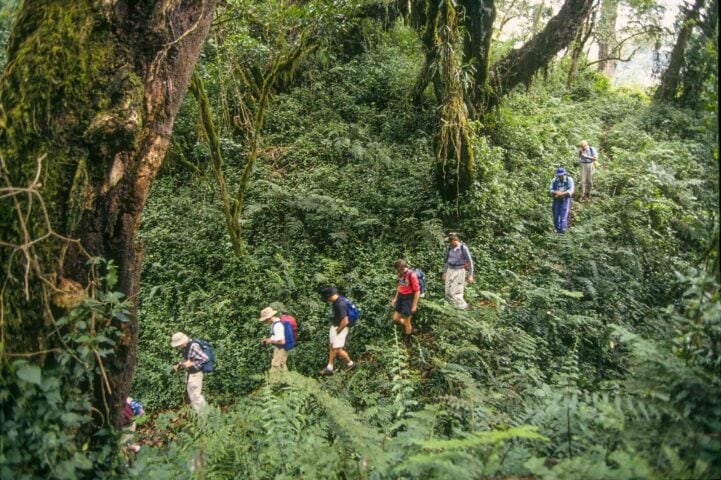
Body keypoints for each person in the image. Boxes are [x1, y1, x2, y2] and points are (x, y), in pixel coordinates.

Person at [319, 287, 356, 376]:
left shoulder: (340, 304)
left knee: (337, 349)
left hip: (340, 328)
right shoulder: (339, 300)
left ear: (329, 296)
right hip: (336, 326)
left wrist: (338, 331)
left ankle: (350, 364)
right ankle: (330, 367)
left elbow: (345, 321)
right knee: (332, 347)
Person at [170, 332, 209, 412]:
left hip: (196, 374)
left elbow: (205, 358)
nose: (178, 347)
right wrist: (180, 365)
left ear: (183, 341)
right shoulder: (187, 347)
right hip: (191, 374)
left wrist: (191, 363)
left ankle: (204, 416)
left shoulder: (193, 346)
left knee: (196, 396)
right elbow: (190, 359)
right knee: (192, 396)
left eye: (179, 344)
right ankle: (200, 415)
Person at [391, 260, 420, 346]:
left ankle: (408, 340)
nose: (397, 272)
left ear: (402, 268)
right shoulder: (400, 274)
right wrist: (395, 298)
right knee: (396, 318)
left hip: (408, 299)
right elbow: (399, 286)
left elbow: (417, 291)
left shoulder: (412, 275)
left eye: (398, 270)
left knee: (407, 321)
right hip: (401, 297)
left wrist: (414, 305)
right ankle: (411, 328)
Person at [442, 233, 474, 310]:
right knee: (447, 293)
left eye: (450, 241)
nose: (449, 243)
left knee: (456, 293)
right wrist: (445, 272)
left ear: (455, 240)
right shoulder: (449, 248)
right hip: (450, 269)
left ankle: (465, 308)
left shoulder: (463, 248)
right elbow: (446, 261)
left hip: (459, 270)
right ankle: (455, 309)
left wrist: (470, 275)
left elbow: (470, 262)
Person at [259, 306, 289, 373]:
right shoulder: (274, 324)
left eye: (265, 320)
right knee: (282, 368)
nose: (264, 322)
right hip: (279, 349)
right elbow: (277, 337)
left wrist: (270, 341)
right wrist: (268, 340)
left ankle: (273, 383)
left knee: (275, 368)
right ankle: (287, 382)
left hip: (281, 349)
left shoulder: (277, 325)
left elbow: (282, 342)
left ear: (269, 318)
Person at [550, 167, 575, 234]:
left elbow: (571, 190)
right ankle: (557, 231)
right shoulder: (554, 180)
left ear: (565, 174)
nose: (560, 177)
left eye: (562, 175)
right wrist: (556, 193)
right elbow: (551, 190)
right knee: (555, 216)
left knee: (563, 217)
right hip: (557, 199)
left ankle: (562, 233)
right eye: (559, 175)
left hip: (565, 199)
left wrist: (562, 194)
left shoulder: (569, 180)